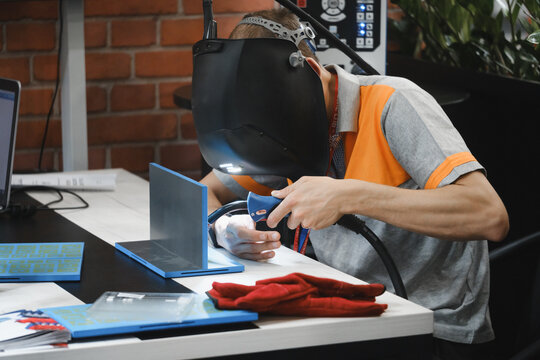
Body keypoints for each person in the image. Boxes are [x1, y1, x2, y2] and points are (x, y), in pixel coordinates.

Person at [200, 8, 509, 360]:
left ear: (311, 75)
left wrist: (350, 195)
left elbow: (489, 215)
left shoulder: (392, 103)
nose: (274, 139)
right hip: (345, 315)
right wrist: (224, 227)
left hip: (431, 328)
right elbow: (204, 191)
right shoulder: (269, 129)